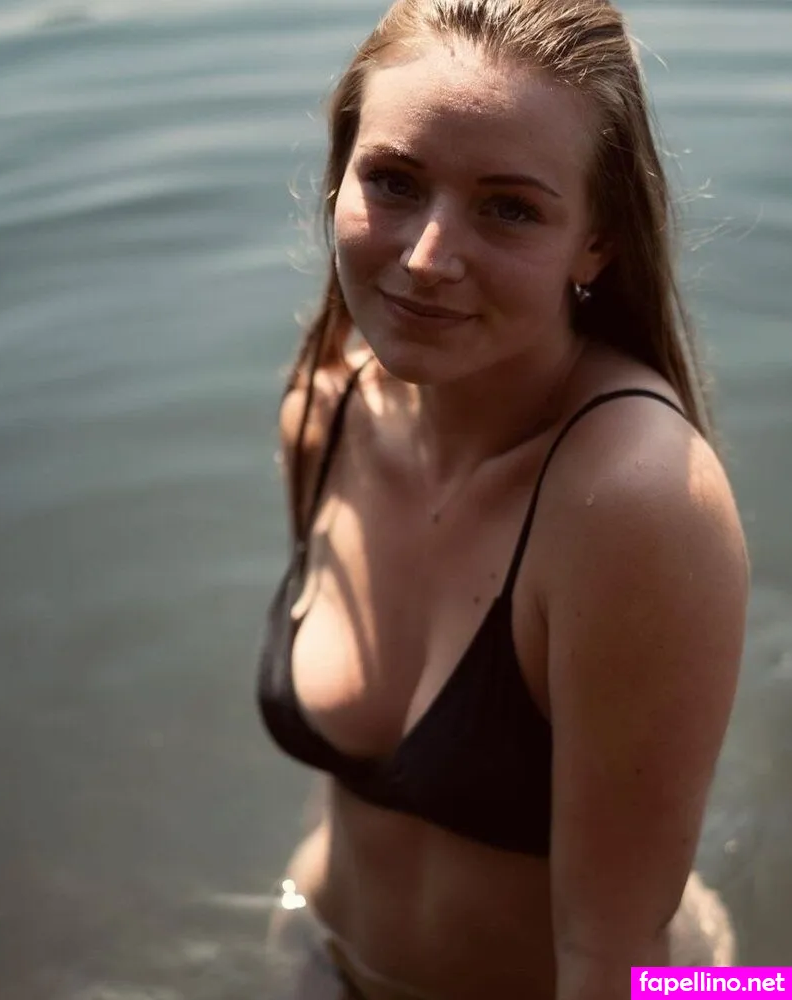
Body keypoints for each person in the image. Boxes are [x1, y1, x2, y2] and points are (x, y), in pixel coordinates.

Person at [257, 1, 749, 997]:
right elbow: (345, 774)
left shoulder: (636, 502)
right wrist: (298, 941)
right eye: (394, 182)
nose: (427, 257)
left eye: (510, 208)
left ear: (596, 243)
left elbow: (614, 958)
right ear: (340, 175)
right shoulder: (326, 407)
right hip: (326, 954)